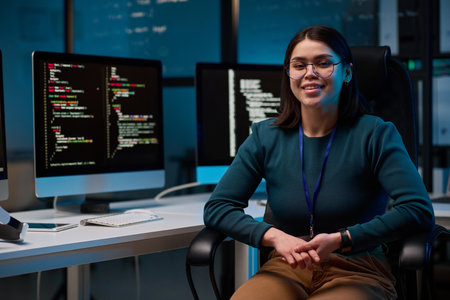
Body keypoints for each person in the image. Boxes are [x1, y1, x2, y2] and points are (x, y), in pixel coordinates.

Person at [203, 25, 435, 299]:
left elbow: (418, 209)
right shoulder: (265, 137)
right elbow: (218, 208)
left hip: (358, 268)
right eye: (299, 65)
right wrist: (275, 237)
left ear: (347, 72)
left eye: (323, 64)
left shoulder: (375, 134)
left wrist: (342, 239)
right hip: (286, 267)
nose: (309, 73)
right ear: (289, 74)